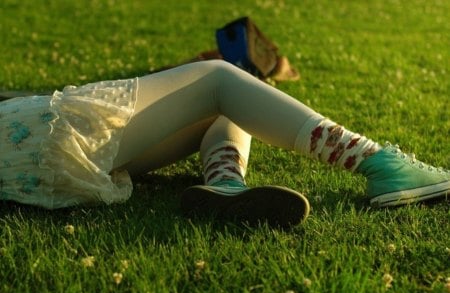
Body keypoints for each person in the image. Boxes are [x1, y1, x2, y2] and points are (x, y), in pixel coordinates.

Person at [1, 60, 448, 227]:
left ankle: (226, 185)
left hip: (24, 163)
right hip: (31, 137)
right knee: (220, 77)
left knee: (225, 107)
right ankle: (376, 163)